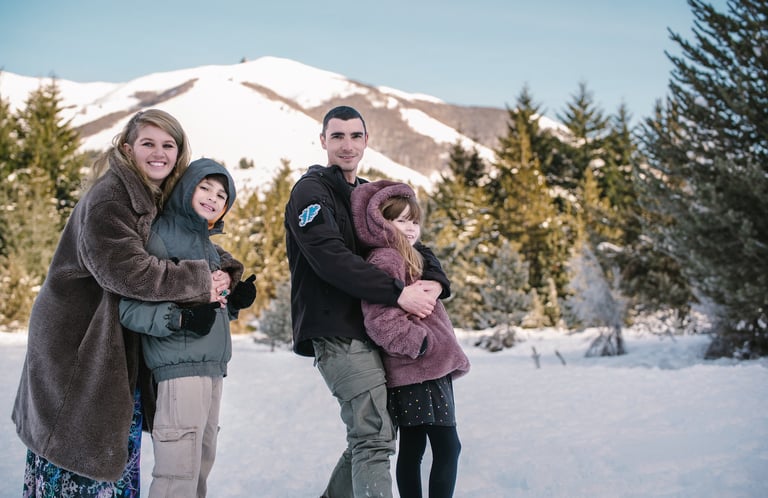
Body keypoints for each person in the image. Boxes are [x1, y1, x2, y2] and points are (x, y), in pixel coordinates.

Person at [12, 109, 238, 497]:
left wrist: (226, 272)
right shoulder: (111, 197)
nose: (159, 153)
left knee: (107, 455)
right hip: (79, 342)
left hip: (112, 346)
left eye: (168, 145)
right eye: (148, 143)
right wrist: (202, 280)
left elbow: (182, 240)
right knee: (77, 458)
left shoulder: (152, 195)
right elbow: (128, 271)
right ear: (127, 148)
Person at [284, 105, 451, 498]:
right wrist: (398, 293)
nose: (347, 145)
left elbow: (409, 241)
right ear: (323, 141)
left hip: (371, 331)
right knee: (373, 437)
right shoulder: (311, 192)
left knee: (373, 434)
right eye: (337, 136)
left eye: (355, 136)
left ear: (366, 141)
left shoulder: (366, 194)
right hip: (337, 330)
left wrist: (436, 281)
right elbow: (329, 257)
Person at [119, 157, 255, 498]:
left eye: (222, 195)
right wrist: (180, 319)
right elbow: (129, 308)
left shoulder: (210, 248)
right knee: (176, 474)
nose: (213, 198)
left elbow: (207, 304)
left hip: (212, 369)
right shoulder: (160, 238)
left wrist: (233, 300)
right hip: (178, 372)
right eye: (204, 187)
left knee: (200, 468)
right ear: (185, 189)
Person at [351, 180, 470, 498]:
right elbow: (380, 319)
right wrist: (422, 344)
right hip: (418, 368)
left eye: (414, 221)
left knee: (414, 447)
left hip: (424, 369)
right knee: (447, 447)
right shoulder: (386, 259)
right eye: (400, 220)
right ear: (381, 222)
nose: (410, 228)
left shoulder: (412, 256)